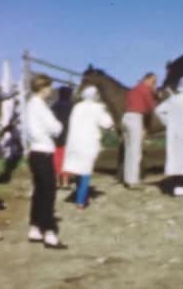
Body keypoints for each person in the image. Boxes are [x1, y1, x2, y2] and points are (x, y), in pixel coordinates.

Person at [25, 73, 67, 249]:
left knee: (39, 191)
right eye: (49, 87)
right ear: (42, 88)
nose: (51, 90)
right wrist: (57, 126)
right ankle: (49, 232)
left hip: (34, 151)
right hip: (44, 152)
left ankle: (35, 227)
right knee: (49, 192)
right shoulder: (41, 106)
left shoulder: (30, 105)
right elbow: (56, 128)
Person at [62, 86, 113, 209]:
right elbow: (107, 123)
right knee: (86, 171)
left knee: (78, 170)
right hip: (88, 143)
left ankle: (80, 195)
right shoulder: (97, 108)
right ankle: (81, 200)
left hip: (74, 143)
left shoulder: (76, 107)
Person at [122, 72, 158, 189]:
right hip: (136, 117)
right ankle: (133, 181)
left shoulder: (134, 89)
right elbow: (151, 107)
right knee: (136, 150)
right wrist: (155, 94)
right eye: (153, 81)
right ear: (147, 80)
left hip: (126, 117)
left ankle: (127, 178)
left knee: (128, 150)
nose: (154, 84)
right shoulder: (145, 89)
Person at [51, 86, 74, 189]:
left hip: (56, 135)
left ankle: (56, 180)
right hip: (68, 135)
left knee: (56, 158)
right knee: (66, 159)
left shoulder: (54, 106)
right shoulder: (72, 106)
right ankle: (65, 181)